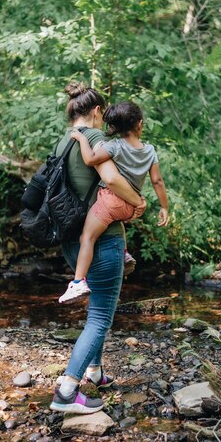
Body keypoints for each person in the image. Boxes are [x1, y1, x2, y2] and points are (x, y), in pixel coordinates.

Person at [50, 82, 146, 414]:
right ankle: (66, 391)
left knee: (97, 311)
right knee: (101, 317)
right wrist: (139, 202)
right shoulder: (95, 139)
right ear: (95, 112)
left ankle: (94, 371)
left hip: (74, 242)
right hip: (105, 243)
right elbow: (115, 179)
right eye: (102, 115)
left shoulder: (63, 141)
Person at [58, 101, 169, 304]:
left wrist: (82, 139)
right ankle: (125, 255)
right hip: (129, 206)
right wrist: (164, 207)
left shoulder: (114, 146)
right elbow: (157, 181)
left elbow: (90, 159)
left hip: (110, 202)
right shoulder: (150, 150)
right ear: (140, 124)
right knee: (114, 220)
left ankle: (77, 282)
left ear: (116, 127)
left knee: (87, 238)